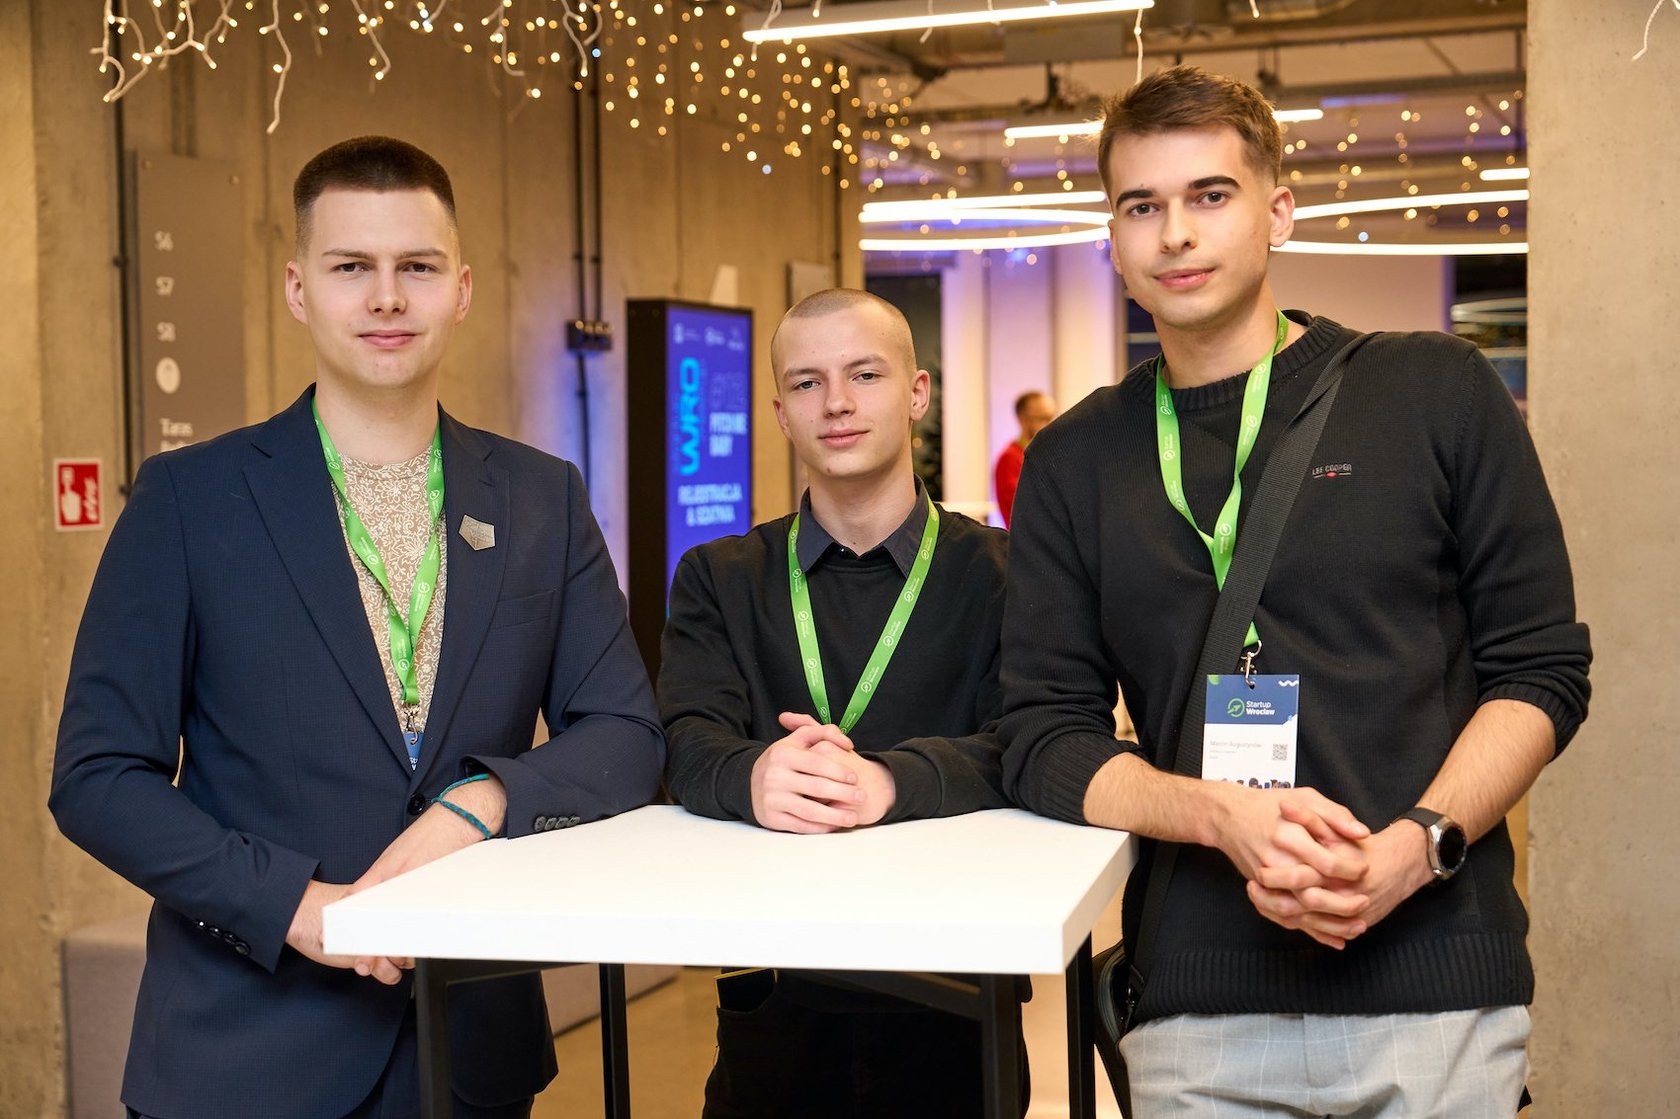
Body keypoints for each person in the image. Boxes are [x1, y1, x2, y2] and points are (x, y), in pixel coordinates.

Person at [1000, 66, 1591, 1117]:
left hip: (1435, 988)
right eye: (1142, 206)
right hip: (1198, 1005)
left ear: (1278, 211)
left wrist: (1418, 846)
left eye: (1209, 195)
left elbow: (1540, 672)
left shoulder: (1433, 391)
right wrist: (1218, 814)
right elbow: (1045, 737)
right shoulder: (1075, 459)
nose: (1176, 233)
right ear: (1113, 239)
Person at [50, 136, 665, 1119]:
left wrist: (481, 803)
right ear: (299, 289)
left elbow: (627, 733)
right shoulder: (189, 500)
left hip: (469, 1051)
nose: (386, 298)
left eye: (416, 267)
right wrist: (297, 907)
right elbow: (98, 777)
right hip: (244, 1055)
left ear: (461, 289)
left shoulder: (542, 498)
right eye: (351, 268)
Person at [659, 288, 1023, 1118]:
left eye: (865, 374)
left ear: (917, 392)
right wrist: (753, 774)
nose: (837, 403)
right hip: (777, 994)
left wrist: (888, 781)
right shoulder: (719, 578)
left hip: (958, 983)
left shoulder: (1008, 573)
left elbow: (1035, 740)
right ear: (780, 412)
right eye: (808, 382)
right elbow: (686, 740)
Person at [993, 389, 1056, 527]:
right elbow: (1027, 508)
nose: (1050, 424)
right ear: (1022, 419)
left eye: (1051, 417)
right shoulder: (1010, 459)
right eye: (1042, 418)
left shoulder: (1045, 455)